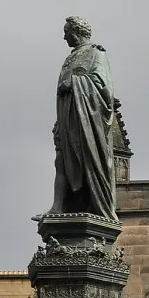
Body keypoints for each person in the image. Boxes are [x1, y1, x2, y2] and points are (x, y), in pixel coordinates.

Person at [50, 16, 118, 221]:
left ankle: (92, 203)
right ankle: (58, 206)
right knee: (61, 160)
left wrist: (74, 82)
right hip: (68, 118)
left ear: (76, 32)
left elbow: (103, 86)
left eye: (66, 31)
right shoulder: (71, 57)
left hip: (87, 122)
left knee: (87, 160)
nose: (64, 36)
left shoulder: (96, 53)